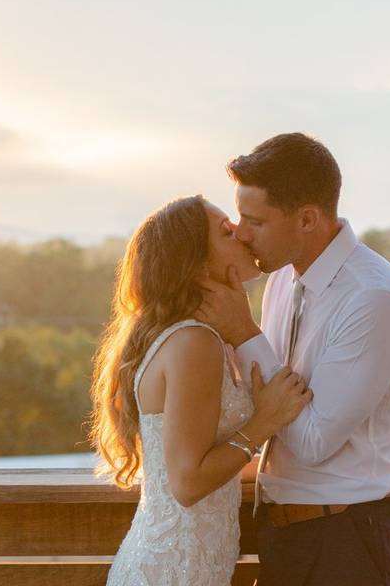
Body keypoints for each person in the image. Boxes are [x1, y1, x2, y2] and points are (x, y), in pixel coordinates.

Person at [198, 133, 390, 585]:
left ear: (306, 219)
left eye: (255, 221)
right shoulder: (282, 280)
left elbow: (315, 442)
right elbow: (268, 399)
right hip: (286, 536)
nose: (241, 232)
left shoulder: (372, 299)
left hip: (350, 541)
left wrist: (243, 332)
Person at [90, 194, 312, 586]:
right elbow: (187, 482)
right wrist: (264, 422)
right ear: (194, 262)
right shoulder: (195, 343)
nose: (242, 235)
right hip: (175, 573)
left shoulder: (204, 337)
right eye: (227, 231)